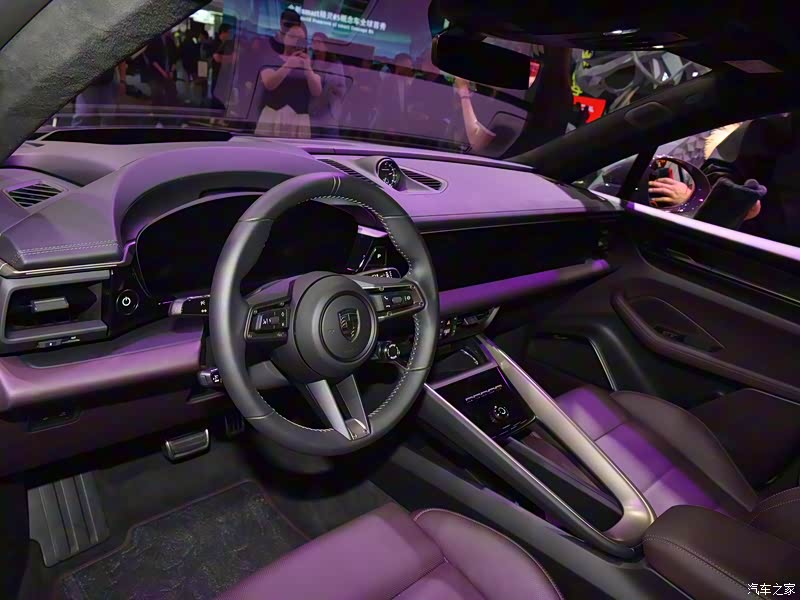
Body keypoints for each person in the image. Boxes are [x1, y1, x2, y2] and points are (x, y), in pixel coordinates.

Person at [255, 21, 321, 138]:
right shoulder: (270, 58)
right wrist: (288, 65)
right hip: (273, 116)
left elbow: (317, 91)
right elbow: (269, 84)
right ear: (283, 38)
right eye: (292, 36)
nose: (296, 41)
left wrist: (307, 68)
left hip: (299, 120)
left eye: (300, 39)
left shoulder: (309, 64)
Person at [309, 32, 347, 136]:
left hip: (330, 115)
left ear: (326, 45)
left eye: (318, 42)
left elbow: (343, 91)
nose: (315, 45)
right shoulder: (310, 64)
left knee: (332, 141)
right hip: (313, 113)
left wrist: (333, 88)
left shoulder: (336, 65)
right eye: (313, 42)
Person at [375, 53, 415, 134]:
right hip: (389, 125)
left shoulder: (409, 82)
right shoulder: (388, 81)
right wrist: (390, 125)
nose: (411, 68)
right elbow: (383, 104)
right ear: (399, 65)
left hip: (404, 124)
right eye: (408, 66)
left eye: (411, 66)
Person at [211, 24, 236, 109]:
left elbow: (235, 58)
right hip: (217, 74)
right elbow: (217, 58)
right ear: (223, 32)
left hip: (226, 75)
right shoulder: (215, 43)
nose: (230, 35)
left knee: (224, 98)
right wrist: (230, 58)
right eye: (229, 32)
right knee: (216, 97)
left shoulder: (229, 44)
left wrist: (224, 58)